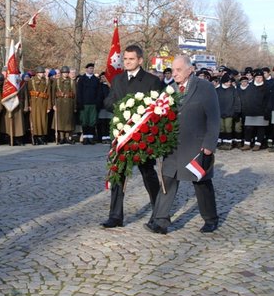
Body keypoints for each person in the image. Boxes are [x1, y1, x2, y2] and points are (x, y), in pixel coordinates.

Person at [145, 54, 220, 235]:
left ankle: (210, 219)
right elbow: (160, 115)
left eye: (179, 70)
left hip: (196, 146)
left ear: (190, 70)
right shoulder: (169, 89)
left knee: (201, 183)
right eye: (173, 70)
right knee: (168, 180)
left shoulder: (205, 88)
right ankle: (161, 221)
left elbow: (214, 118)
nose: (175, 73)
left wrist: (209, 144)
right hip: (173, 146)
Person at [102, 44, 163, 228]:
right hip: (121, 135)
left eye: (131, 59)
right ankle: (115, 216)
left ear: (140, 60)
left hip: (143, 136)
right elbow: (109, 101)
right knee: (117, 174)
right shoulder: (118, 80)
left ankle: (158, 212)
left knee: (148, 174)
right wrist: (121, 108)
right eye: (125, 59)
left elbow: (159, 107)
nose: (127, 62)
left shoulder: (152, 81)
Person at [239, 69, 269, 151]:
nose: (258, 79)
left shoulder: (266, 87)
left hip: (262, 111)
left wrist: (267, 111)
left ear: (263, 78)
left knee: (260, 128)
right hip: (250, 111)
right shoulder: (250, 86)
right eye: (257, 77)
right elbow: (246, 99)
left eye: (260, 77)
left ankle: (258, 144)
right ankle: (247, 144)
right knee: (248, 128)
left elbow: (268, 100)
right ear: (254, 78)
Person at [76, 63, 102, 144]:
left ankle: (90, 138)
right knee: (84, 121)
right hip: (84, 103)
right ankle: (85, 138)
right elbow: (79, 92)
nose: (91, 70)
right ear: (86, 69)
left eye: (92, 68)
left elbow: (99, 92)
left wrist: (97, 102)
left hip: (93, 104)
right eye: (90, 68)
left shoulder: (96, 79)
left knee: (92, 121)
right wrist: (80, 102)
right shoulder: (82, 79)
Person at [52, 66, 76, 144]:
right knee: (60, 121)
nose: (65, 74)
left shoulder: (72, 81)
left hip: (69, 103)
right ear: (61, 73)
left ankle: (67, 137)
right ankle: (61, 137)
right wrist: (53, 104)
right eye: (64, 73)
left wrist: (75, 106)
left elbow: (75, 95)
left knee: (68, 121)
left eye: (66, 73)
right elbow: (53, 94)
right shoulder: (57, 81)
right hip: (60, 103)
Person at [28, 66, 52, 145]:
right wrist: (29, 105)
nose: (42, 74)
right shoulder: (31, 81)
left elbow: (49, 94)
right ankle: (36, 137)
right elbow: (28, 94)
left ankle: (42, 137)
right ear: (37, 73)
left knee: (43, 120)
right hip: (34, 103)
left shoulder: (47, 81)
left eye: (43, 73)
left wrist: (49, 106)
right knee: (35, 121)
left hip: (43, 103)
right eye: (41, 73)